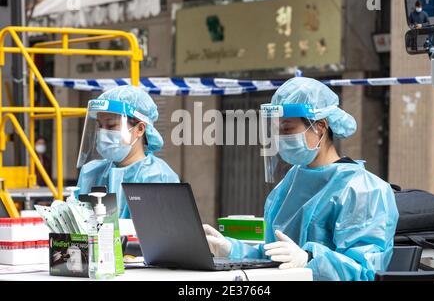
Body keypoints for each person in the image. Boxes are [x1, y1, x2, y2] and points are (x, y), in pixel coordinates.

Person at [203, 77, 399, 281]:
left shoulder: (364, 190)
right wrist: (231, 249)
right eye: (277, 130)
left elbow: (364, 272)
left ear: (320, 126)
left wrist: (310, 259)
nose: (281, 137)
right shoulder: (288, 185)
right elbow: (274, 258)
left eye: (287, 129)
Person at [76, 85, 179, 218]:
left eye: (111, 125)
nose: (102, 133)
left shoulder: (160, 177)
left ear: (140, 129)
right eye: (100, 126)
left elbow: (168, 233)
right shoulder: (91, 173)